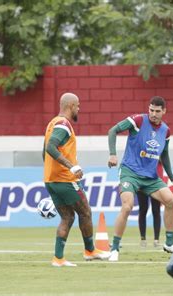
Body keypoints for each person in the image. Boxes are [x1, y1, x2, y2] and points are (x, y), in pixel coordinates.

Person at [107, 96, 173, 262]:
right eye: (151, 110)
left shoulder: (166, 131)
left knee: (170, 201)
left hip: (150, 177)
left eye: (157, 111)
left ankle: (169, 243)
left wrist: (172, 177)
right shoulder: (138, 120)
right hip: (130, 172)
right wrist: (113, 154)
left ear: (164, 111)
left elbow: (164, 154)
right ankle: (114, 248)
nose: (153, 114)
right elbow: (113, 130)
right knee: (127, 206)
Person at [43, 92, 110, 267]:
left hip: (51, 179)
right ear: (71, 106)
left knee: (67, 217)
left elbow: (45, 151)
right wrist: (70, 166)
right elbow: (51, 147)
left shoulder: (52, 123)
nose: (79, 109)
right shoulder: (64, 125)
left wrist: (51, 172)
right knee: (85, 212)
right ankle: (90, 251)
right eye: (78, 105)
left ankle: (58, 258)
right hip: (65, 179)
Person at [138, 162, 164, 248]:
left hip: (156, 182)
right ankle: (143, 239)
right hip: (141, 180)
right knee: (143, 210)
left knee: (156, 210)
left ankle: (156, 240)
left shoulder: (159, 149)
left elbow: (163, 159)